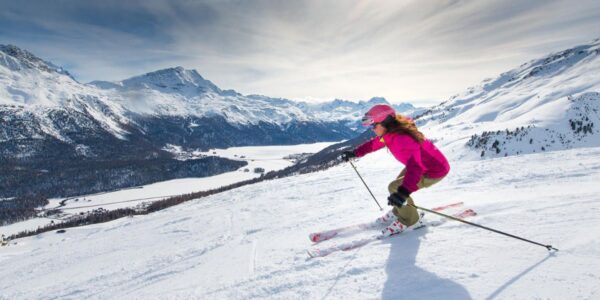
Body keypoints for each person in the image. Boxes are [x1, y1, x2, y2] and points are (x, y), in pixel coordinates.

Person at [341, 104, 450, 236]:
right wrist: (355, 153)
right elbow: (373, 144)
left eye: (374, 125)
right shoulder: (390, 133)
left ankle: (410, 220)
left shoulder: (402, 139)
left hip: (434, 171)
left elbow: (415, 168)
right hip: (422, 165)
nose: (372, 129)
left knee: (396, 188)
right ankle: (400, 211)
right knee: (398, 187)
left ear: (386, 122)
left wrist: (403, 192)